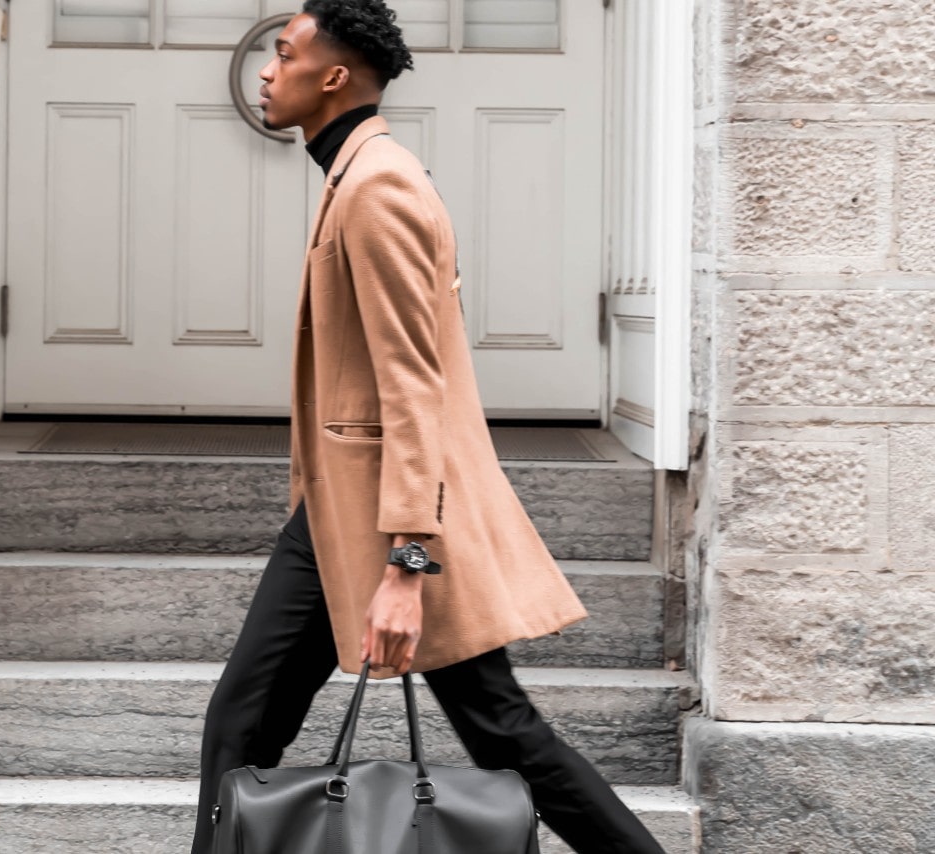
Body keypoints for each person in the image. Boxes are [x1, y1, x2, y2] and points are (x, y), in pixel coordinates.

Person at [192, 2, 668, 852]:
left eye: (284, 53)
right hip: (341, 511)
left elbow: (415, 386)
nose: (266, 70)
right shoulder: (357, 175)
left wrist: (409, 559)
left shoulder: (380, 188)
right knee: (244, 724)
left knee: (500, 734)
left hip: (394, 514)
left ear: (332, 77)